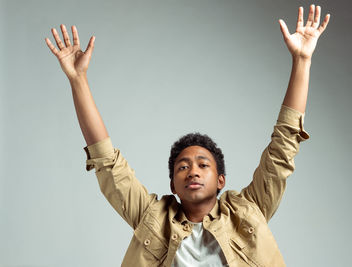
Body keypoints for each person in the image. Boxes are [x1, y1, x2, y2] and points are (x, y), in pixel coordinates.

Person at [45, 4, 330, 267]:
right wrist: (78, 80)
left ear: (221, 180)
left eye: (203, 165)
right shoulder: (153, 218)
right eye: (183, 167)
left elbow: (284, 145)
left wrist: (302, 60)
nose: (192, 171)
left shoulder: (249, 210)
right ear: (173, 184)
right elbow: (107, 162)